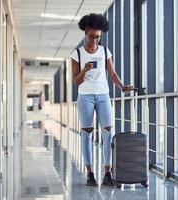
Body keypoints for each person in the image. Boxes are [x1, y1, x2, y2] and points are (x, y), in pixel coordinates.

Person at [70, 13, 134, 186]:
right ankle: (90, 173)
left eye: (98, 37)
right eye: (92, 37)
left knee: (108, 133)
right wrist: (84, 70)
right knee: (86, 135)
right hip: (85, 97)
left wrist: (122, 87)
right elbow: (76, 81)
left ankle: (107, 173)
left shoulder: (105, 51)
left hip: (103, 95)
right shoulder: (77, 54)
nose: (95, 40)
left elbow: (112, 74)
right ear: (85, 33)